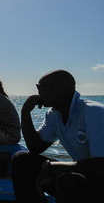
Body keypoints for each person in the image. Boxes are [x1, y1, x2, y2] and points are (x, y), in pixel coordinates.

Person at [11, 70, 104, 202]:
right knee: (22, 160)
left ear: (55, 89)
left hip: (100, 182)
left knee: (67, 180)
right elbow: (35, 148)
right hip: (85, 175)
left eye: (39, 87)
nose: (37, 92)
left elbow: (101, 166)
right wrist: (25, 111)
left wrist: (54, 167)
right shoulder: (53, 115)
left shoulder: (94, 113)